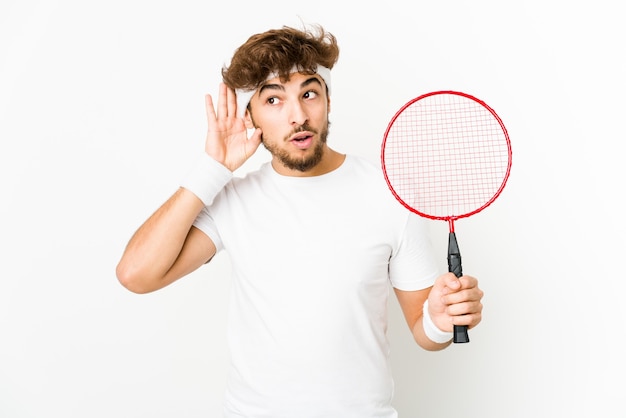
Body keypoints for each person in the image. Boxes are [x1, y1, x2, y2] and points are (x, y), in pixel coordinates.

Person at [116, 23, 484, 418]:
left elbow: (424, 329)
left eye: (309, 93)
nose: (297, 116)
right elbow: (136, 275)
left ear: (327, 100)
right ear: (250, 115)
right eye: (274, 100)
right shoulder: (234, 200)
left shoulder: (389, 192)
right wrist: (213, 169)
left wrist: (442, 321)